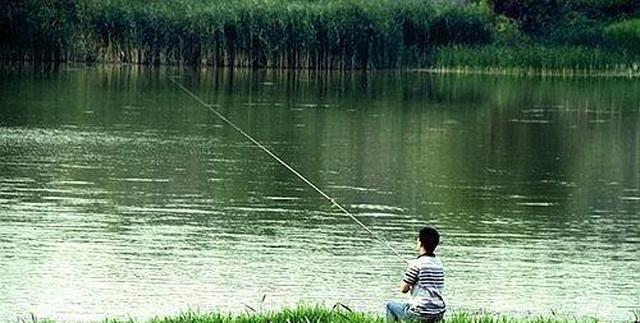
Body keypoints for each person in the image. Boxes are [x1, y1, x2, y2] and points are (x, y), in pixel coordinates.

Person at [385, 227, 446, 322]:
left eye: (418, 240)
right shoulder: (439, 263)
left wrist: (411, 272)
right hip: (439, 313)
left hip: (420, 313)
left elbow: (403, 289)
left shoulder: (416, 264)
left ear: (421, 243)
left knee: (390, 306)